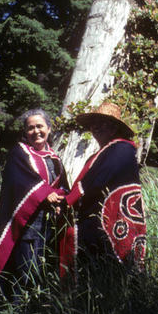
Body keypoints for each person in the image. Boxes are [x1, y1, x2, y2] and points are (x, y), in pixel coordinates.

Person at [0, 109, 68, 307]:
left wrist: (60, 199)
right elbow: (20, 181)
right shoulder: (19, 153)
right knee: (25, 266)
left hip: (48, 224)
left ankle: (37, 311)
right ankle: (17, 312)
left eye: (40, 126)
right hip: (26, 223)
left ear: (49, 128)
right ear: (25, 131)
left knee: (42, 267)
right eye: (30, 128)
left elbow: (61, 185)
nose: (36, 131)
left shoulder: (54, 157)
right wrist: (44, 193)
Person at [63, 101, 146, 272]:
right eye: (93, 123)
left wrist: (67, 201)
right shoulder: (102, 153)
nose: (95, 127)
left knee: (113, 267)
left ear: (114, 128)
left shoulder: (122, 148)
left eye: (102, 123)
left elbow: (96, 181)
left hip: (112, 222)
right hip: (98, 222)